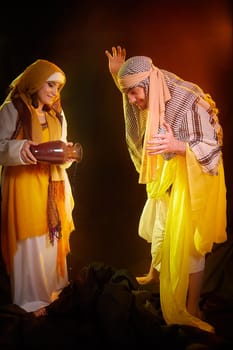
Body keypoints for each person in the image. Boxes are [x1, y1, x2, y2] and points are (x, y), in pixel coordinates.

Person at [105, 46, 227, 333]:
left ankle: (193, 305)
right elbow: (134, 96)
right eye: (128, 93)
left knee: (189, 241)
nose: (132, 100)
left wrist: (177, 146)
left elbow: (214, 147)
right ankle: (155, 274)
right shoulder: (151, 89)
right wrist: (117, 76)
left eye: (135, 92)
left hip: (194, 174)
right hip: (168, 169)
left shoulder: (188, 100)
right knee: (161, 223)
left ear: (150, 82)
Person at [0, 59, 76, 316]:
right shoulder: (12, 109)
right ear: (35, 81)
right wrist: (19, 149)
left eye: (59, 87)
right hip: (23, 186)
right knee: (30, 240)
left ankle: (52, 290)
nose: (55, 92)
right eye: (51, 84)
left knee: (51, 238)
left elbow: (61, 144)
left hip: (52, 185)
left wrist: (67, 154)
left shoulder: (57, 113)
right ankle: (31, 300)